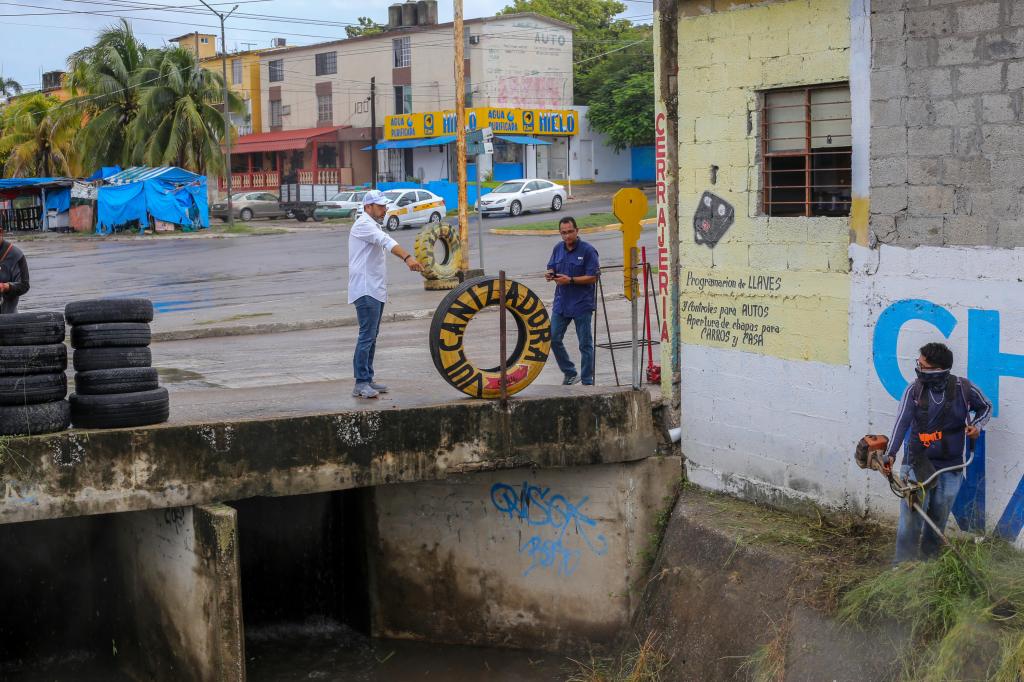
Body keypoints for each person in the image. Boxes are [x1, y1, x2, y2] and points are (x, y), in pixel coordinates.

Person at [883, 342, 991, 563]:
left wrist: (976, 427)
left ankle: (928, 566)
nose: (918, 368)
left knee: (937, 521)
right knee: (911, 521)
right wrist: (891, 453)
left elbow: (986, 407)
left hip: (951, 466)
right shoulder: (913, 390)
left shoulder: (964, 388)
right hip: (917, 464)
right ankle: (902, 569)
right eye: (918, 363)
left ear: (938, 369)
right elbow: (901, 423)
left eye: (922, 365)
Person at [348, 190, 422, 399]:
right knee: (366, 336)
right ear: (368, 207)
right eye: (380, 206)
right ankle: (360, 382)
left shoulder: (372, 224)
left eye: (384, 206)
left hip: (375, 289)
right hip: (365, 290)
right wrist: (408, 258)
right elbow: (387, 242)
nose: (385, 209)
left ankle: (368, 378)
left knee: (372, 336)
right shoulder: (364, 225)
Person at [545, 216, 599, 385]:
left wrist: (571, 280)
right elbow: (552, 265)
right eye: (563, 233)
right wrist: (550, 273)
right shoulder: (558, 248)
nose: (567, 236)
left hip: (582, 304)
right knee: (552, 338)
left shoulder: (588, 251)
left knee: (585, 344)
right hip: (561, 303)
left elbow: (592, 277)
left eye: (570, 232)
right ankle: (569, 372)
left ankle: (587, 380)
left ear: (577, 231)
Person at [0, 225, 30, 314]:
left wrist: (6, 287)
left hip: (7, 317)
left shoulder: (15, 255)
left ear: (0, 232)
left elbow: (24, 285)